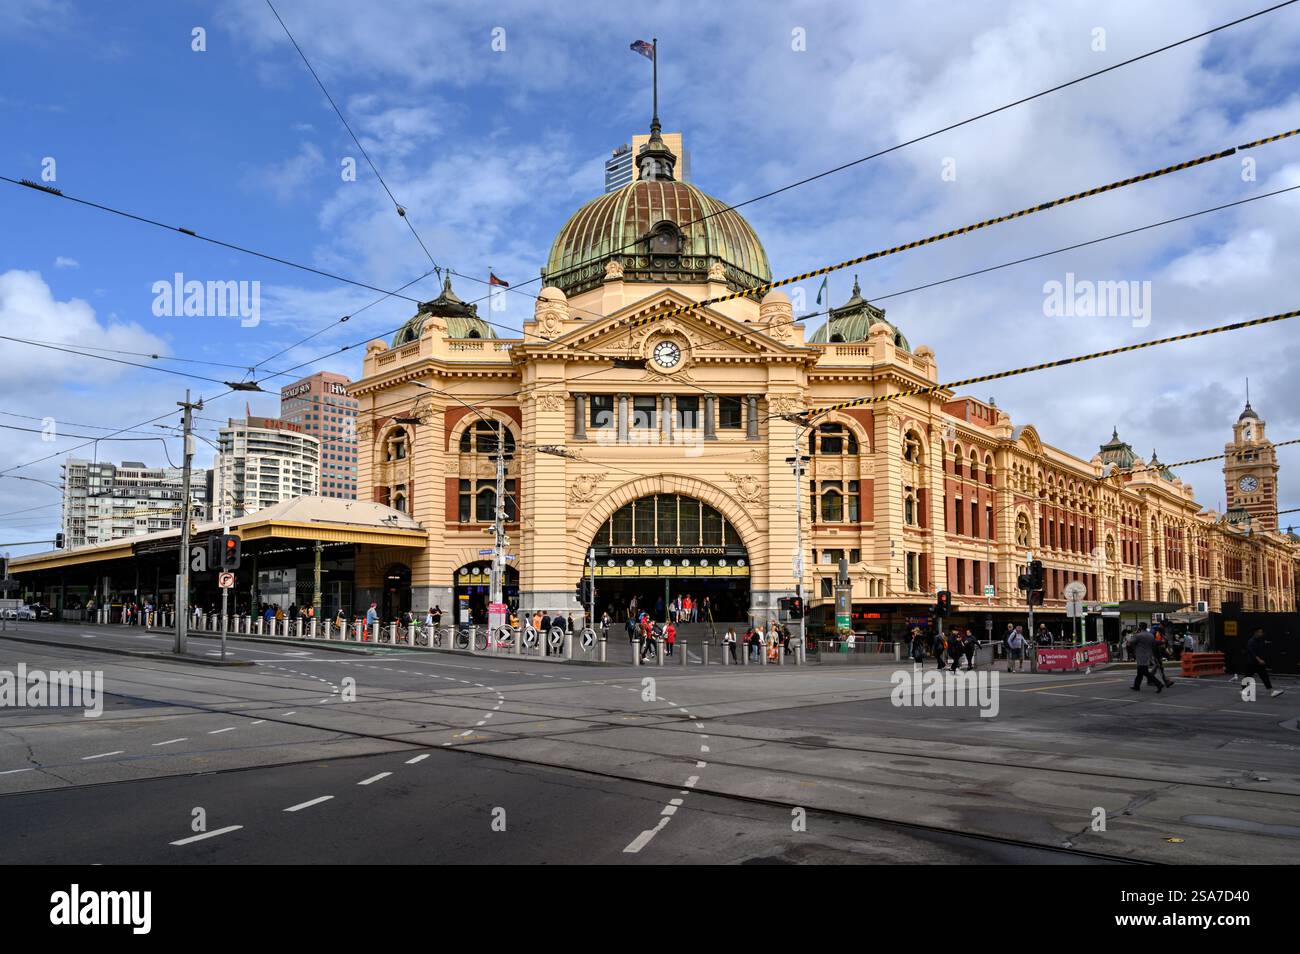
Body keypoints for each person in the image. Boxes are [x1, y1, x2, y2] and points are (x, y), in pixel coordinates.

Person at [1238, 627, 1285, 697]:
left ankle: (1272, 691)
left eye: (1262, 632)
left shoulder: (1260, 640)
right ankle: (1243, 691)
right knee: (1247, 677)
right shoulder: (1251, 641)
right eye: (1260, 632)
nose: (1261, 633)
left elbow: (1260, 650)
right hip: (1251, 663)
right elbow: (1252, 652)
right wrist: (1259, 660)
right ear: (1256, 633)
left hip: (1259, 663)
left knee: (1265, 676)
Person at [1126, 622, 1162, 692]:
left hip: (1141, 656)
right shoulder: (1151, 635)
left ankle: (1158, 683)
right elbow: (1154, 643)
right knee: (1140, 672)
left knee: (1144, 672)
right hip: (1148, 655)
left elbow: (1130, 642)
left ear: (1139, 627)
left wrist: (1135, 634)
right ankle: (1136, 686)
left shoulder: (1138, 635)